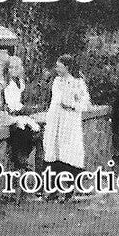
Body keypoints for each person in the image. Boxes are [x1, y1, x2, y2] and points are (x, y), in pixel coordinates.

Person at [43, 54, 91, 202]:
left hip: (69, 121)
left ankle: (68, 190)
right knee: (53, 154)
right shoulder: (57, 81)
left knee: (68, 155)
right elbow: (54, 101)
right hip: (55, 120)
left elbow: (85, 103)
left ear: (67, 67)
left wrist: (71, 106)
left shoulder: (78, 83)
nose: (57, 69)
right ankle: (53, 191)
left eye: (60, 66)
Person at [3, 55, 42, 187]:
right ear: (7, 69)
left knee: (36, 131)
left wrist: (29, 108)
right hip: (11, 116)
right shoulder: (7, 84)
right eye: (12, 67)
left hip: (22, 115)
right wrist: (25, 109)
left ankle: (25, 161)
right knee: (21, 130)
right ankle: (20, 160)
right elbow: (11, 106)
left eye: (17, 67)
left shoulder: (21, 82)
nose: (15, 69)